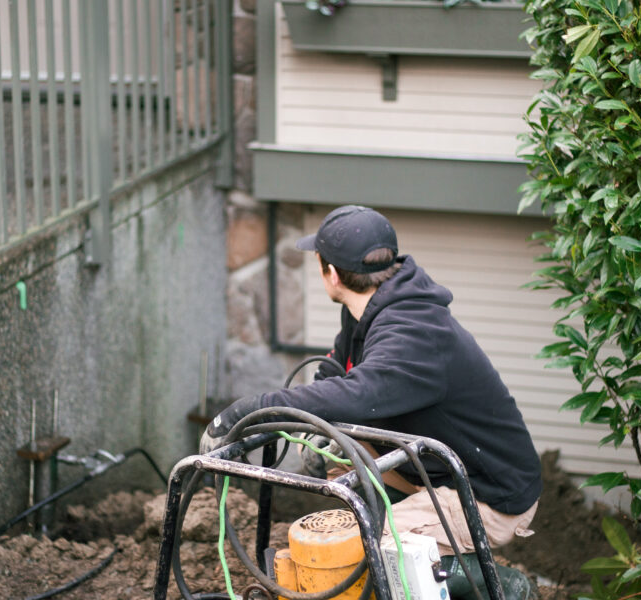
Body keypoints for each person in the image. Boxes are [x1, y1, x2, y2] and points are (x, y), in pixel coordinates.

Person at [202, 205, 541, 598]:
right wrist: (319, 433)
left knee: (366, 554)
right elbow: (336, 373)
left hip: (485, 495)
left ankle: (502, 587)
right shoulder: (368, 308)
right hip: (430, 471)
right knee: (340, 463)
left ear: (330, 273)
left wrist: (245, 412)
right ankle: (396, 532)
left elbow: (357, 393)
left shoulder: (413, 333)